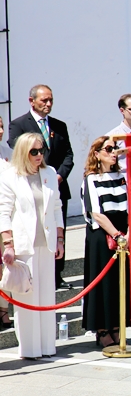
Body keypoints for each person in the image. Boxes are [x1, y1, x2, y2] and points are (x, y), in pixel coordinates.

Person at [0, 133, 65, 359]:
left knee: (47, 295)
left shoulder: (49, 172)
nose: (39, 155)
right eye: (34, 151)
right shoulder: (10, 176)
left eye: (42, 150)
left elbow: (57, 208)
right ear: (23, 152)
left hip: (46, 243)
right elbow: (4, 211)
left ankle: (47, 347)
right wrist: (8, 243)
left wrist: (60, 239)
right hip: (23, 244)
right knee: (27, 297)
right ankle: (29, 349)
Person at [9, 85, 74, 290]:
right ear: (32, 101)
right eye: (44, 100)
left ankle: (57, 274)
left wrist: (58, 176)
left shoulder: (59, 126)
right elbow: (17, 149)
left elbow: (68, 156)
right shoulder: (18, 124)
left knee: (56, 227)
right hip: (31, 189)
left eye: (51, 100)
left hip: (55, 187)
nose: (48, 104)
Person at [81, 136, 130, 348]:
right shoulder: (91, 179)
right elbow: (96, 213)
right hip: (102, 236)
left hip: (124, 234)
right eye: (108, 148)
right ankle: (102, 329)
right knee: (103, 283)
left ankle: (117, 325)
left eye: (115, 148)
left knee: (121, 281)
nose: (113, 152)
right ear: (97, 154)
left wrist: (128, 235)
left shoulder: (122, 176)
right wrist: (117, 235)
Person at [0, 117, 13, 328]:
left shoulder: (8, 154)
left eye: (2, 125)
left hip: (4, 217)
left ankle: (3, 309)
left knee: (5, 264)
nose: (1, 130)